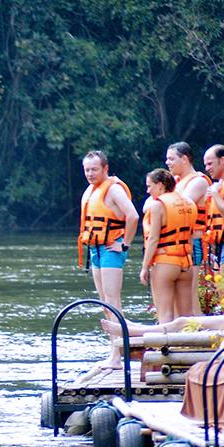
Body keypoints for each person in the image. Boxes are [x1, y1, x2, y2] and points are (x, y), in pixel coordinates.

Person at [77, 150, 139, 369]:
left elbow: (133, 216)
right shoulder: (90, 191)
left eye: (94, 169)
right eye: (87, 170)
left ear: (105, 168)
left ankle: (118, 355)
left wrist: (125, 244)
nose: (90, 173)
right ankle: (114, 350)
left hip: (111, 248)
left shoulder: (113, 189)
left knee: (113, 301)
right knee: (104, 302)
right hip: (95, 248)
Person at [140, 168, 197, 323]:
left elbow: (153, 239)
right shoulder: (189, 202)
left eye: (149, 186)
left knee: (165, 315)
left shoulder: (158, 206)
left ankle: (166, 347)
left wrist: (145, 267)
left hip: (166, 262)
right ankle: (188, 346)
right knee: (187, 316)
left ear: (160, 185)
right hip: (186, 263)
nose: (148, 190)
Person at [165, 142, 211, 314]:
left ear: (184, 159)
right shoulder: (175, 182)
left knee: (190, 293)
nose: (167, 162)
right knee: (177, 293)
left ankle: (197, 331)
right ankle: (179, 333)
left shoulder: (198, 181)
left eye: (171, 159)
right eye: (167, 159)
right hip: (177, 243)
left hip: (193, 242)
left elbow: (178, 207)